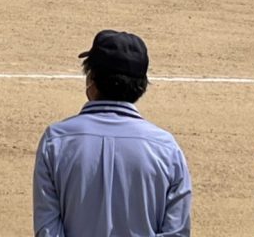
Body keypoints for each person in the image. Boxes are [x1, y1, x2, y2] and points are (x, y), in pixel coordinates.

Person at [33, 30, 192, 237]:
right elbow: (177, 232)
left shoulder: (56, 141)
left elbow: (48, 230)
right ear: (142, 85)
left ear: (91, 79)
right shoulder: (166, 148)